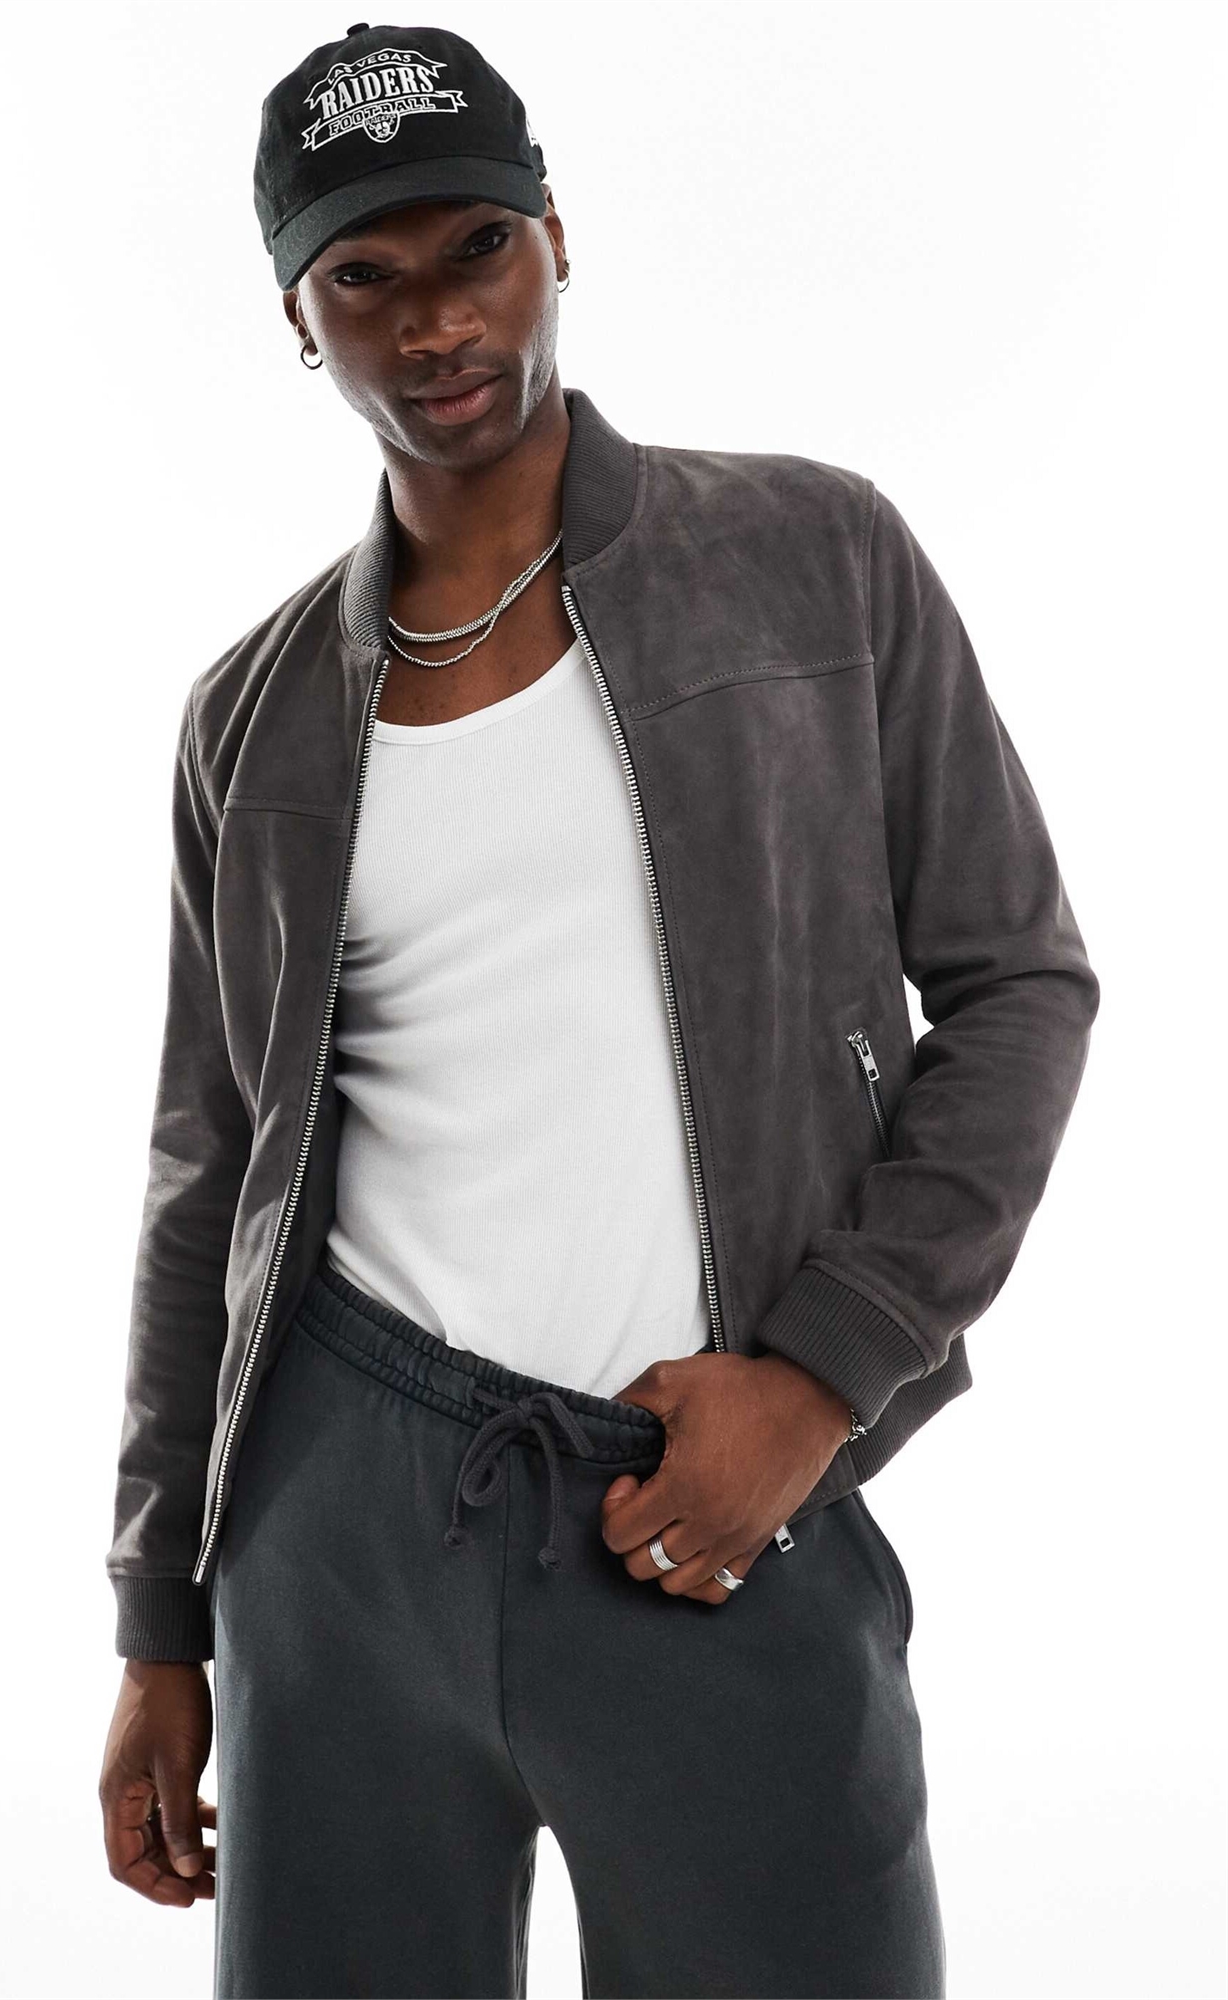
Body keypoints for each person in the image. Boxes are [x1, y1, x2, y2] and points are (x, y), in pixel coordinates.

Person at [98, 23, 1100, 1999]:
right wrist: (159, 1622)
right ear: (297, 318)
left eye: (475, 246)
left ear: (556, 234)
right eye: (362, 276)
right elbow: (208, 1176)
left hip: (702, 1504)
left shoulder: (810, 560)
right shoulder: (253, 716)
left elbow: (1018, 985)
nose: (433, 320)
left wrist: (817, 1379)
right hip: (334, 1531)